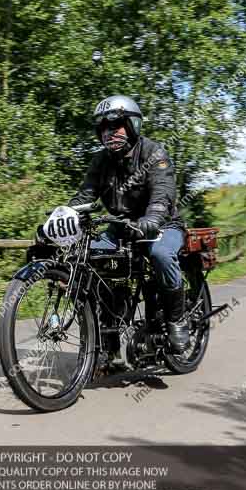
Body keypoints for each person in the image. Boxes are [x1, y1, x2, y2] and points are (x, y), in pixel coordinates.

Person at [68, 94, 190, 353]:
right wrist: (64, 216)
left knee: (161, 254)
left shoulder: (153, 153)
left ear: (133, 125)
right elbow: (84, 197)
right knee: (90, 256)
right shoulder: (100, 161)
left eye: (116, 126)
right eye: (103, 129)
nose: (109, 133)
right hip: (121, 228)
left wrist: (151, 220)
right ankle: (107, 333)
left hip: (163, 226)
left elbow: (162, 194)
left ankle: (176, 319)